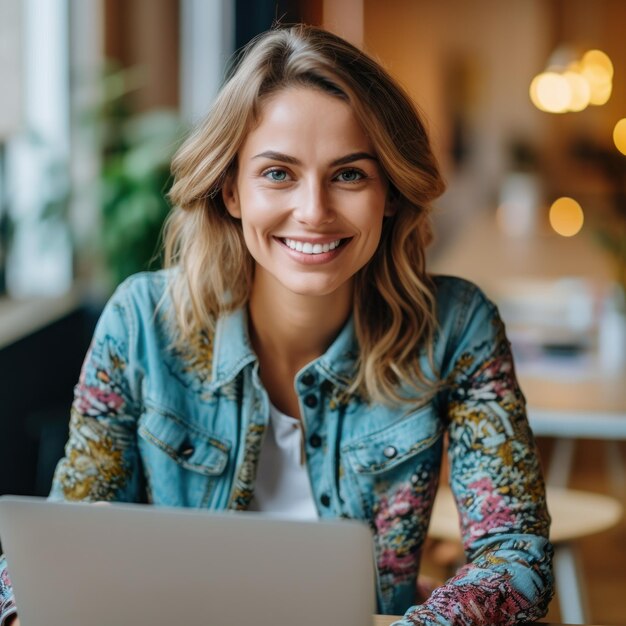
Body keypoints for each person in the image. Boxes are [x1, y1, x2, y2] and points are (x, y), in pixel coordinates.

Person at [0, 24, 553, 626]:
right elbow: (65, 535)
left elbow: (515, 551)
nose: (313, 211)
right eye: (277, 173)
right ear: (231, 189)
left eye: (349, 174)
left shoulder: (456, 327)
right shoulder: (141, 323)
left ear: (390, 192)